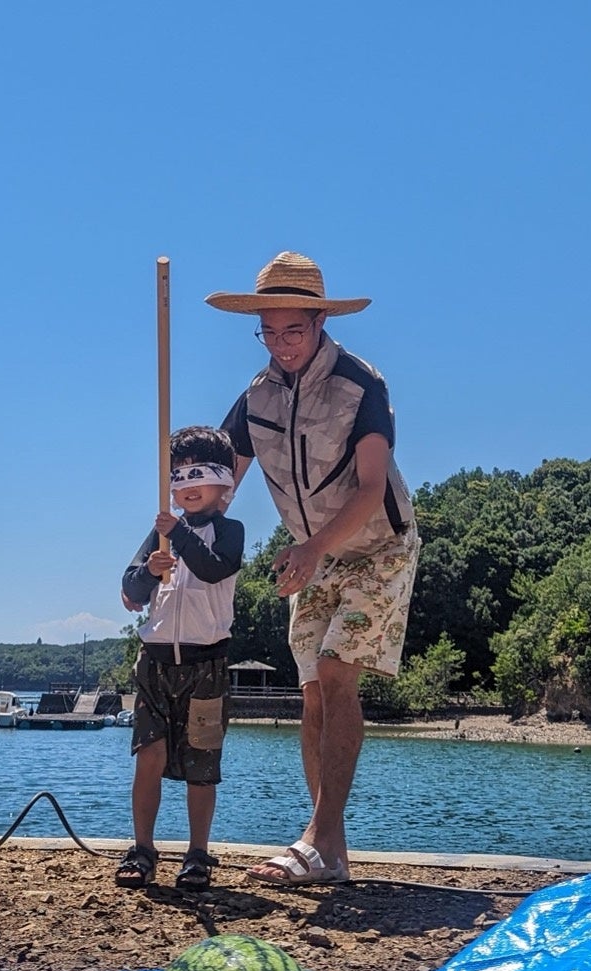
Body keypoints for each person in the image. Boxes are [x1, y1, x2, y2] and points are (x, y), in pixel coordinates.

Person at [207, 252, 420, 885]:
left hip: (378, 544)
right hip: (314, 553)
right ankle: (330, 848)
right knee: (310, 696)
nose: (281, 345)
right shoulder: (255, 397)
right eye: (268, 332)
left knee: (335, 673)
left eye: (293, 330)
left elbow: (370, 487)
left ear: (321, 320)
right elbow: (219, 483)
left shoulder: (361, 384)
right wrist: (168, 538)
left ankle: (320, 842)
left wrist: (312, 549)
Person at [117, 427, 245, 890]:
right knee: (148, 754)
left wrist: (182, 535)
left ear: (224, 483)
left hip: (205, 663)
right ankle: (143, 847)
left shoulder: (229, 531)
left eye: (200, 474)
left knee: (201, 763)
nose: (188, 485)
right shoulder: (161, 532)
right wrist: (148, 572)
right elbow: (130, 591)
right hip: (154, 663)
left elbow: (214, 569)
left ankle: (197, 853)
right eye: (180, 475)